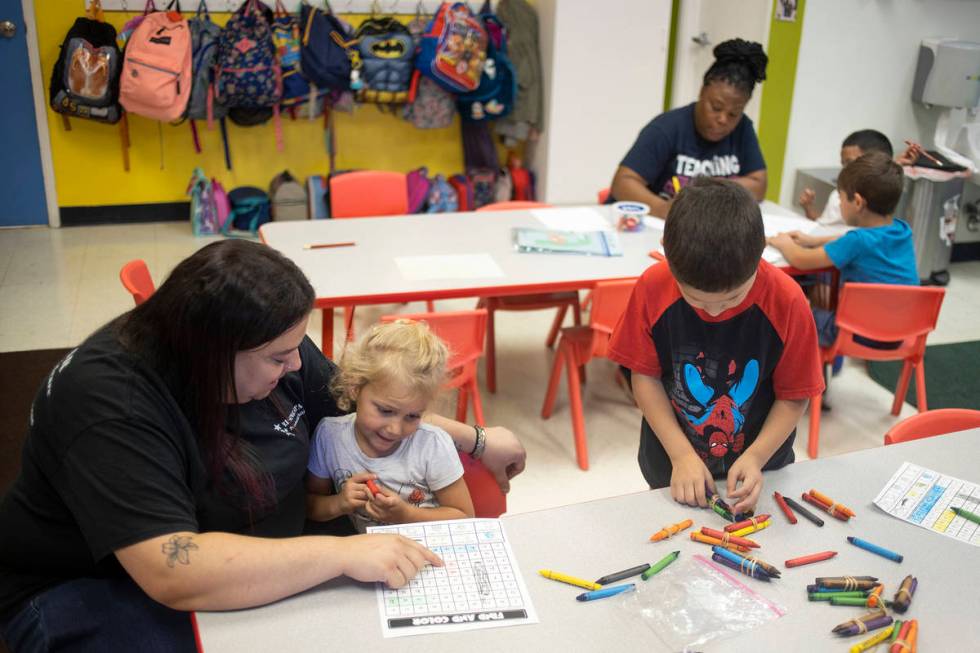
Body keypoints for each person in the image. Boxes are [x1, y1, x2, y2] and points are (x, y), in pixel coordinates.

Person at [0, 240, 525, 652]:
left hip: (244, 544)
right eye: (278, 358)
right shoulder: (110, 407)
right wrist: (343, 552)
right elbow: (172, 572)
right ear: (212, 352)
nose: (296, 367)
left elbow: (354, 398)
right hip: (93, 585)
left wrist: (474, 439)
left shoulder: (260, 342)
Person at [607, 178, 824, 516]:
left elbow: (795, 395)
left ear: (759, 254)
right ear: (666, 249)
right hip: (672, 461)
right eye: (694, 298)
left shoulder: (787, 301)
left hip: (763, 466)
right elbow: (644, 376)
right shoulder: (653, 287)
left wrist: (755, 457)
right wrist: (680, 455)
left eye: (733, 298)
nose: (713, 311)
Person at [307, 320, 474, 532]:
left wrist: (406, 514)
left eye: (412, 416)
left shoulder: (432, 445)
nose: (395, 429)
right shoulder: (329, 436)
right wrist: (338, 503)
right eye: (385, 411)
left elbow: (465, 517)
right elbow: (309, 505)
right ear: (355, 388)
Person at [768, 152, 919, 347]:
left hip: (855, 333)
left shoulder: (857, 241)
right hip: (899, 333)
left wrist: (783, 243)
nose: (839, 204)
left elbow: (802, 260)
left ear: (857, 202)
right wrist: (814, 240)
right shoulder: (901, 230)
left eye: (840, 199)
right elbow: (856, 242)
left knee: (786, 313)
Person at [609, 38, 769, 217]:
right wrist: (663, 209)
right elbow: (622, 183)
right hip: (660, 224)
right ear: (702, 91)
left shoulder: (743, 128)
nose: (723, 119)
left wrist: (709, 191)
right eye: (716, 107)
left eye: (734, 113)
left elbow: (759, 185)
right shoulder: (667, 128)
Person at [799, 129, 920, 226]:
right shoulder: (840, 193)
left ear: (858, 203)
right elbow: (825, 226)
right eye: (843, 164)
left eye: (850, 163)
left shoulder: (867, 207)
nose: (845, 170)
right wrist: (808, 208)